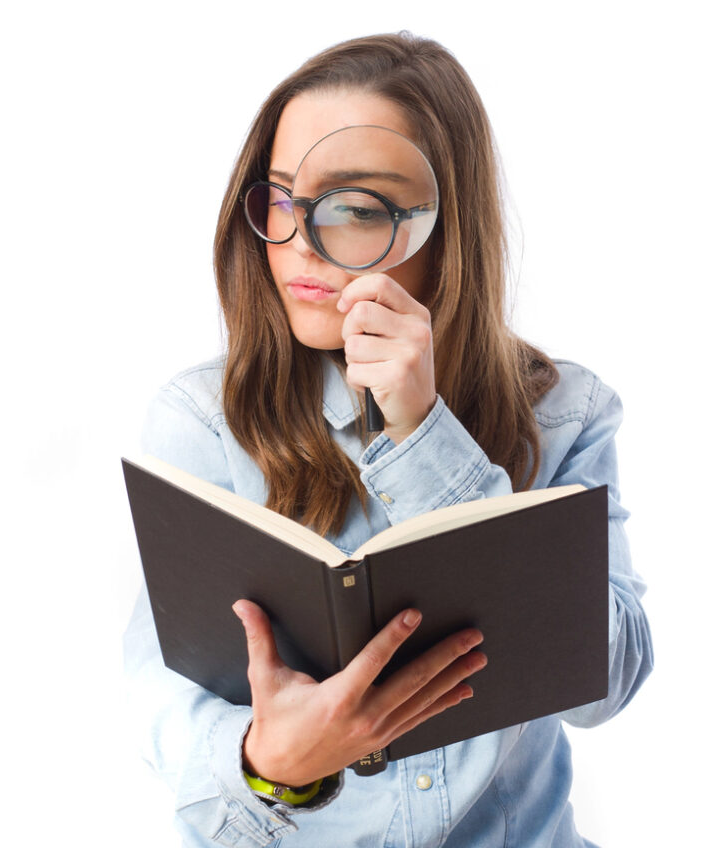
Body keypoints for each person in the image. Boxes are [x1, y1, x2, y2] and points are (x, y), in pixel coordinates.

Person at [123, 32, 652, 847]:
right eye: (280, 196)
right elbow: (162, 699)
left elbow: (604, 685)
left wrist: (427, 435)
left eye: (356, 209)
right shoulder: (203, 420)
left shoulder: (564, 413)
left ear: (444, 233)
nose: (298, 241)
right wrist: (274, 760)